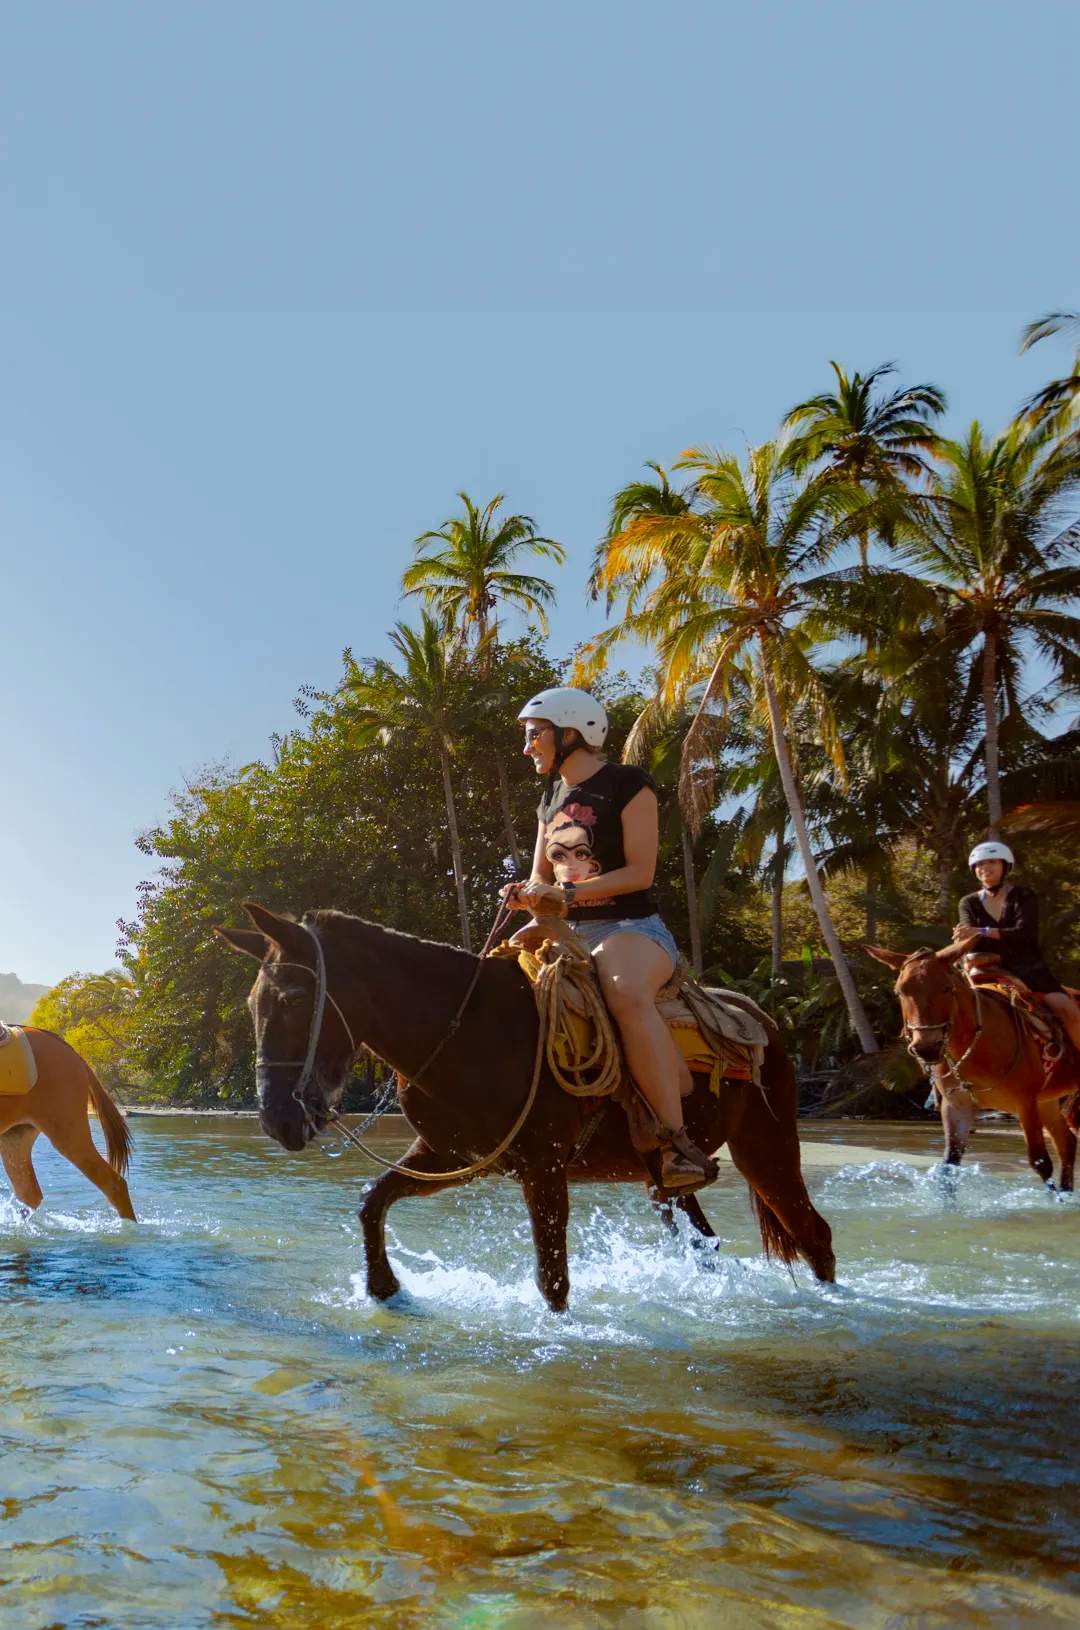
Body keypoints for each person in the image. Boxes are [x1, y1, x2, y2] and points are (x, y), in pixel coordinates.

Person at [500, 685, 716, 1192]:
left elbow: (639, 874)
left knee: (622, 990)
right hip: (564, 928)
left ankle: (675, 1141)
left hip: (629, 928)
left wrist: (568, 896)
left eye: (535, 735)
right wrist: (526, 897)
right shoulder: (549, 799)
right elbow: (542, 882)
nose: (528, 746)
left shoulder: (627, 784)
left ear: (570, 733)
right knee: (491, 980)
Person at [953, 840, 1080, 1054]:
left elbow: (1025, 933)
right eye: (980, 864)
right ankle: (941, 1080)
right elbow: (967, 934)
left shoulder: (1023, 895)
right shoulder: (968, 902)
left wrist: (982, 931)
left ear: (1005, 865)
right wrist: (964, 938)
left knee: (1069, 1012)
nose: (985, 868)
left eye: (992, 862)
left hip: (1030, 969)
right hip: (985, 971)